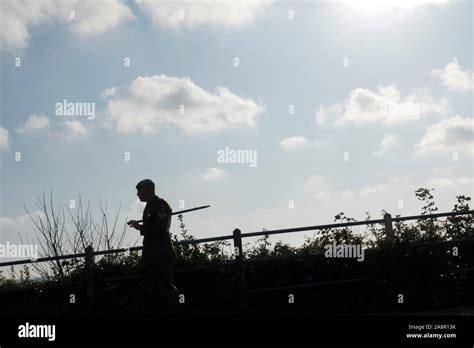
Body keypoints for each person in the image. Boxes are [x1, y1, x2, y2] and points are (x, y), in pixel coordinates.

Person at [127, 179, 181, 317]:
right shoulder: (150, 206)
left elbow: (161, 228)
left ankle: (174, 313)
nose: (138, 194)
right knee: (154, 288)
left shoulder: (161, 204)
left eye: (139, 191)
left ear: (147, 190)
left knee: (165, 286)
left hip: (162, 253)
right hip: (151, 254)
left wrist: (141, 227)